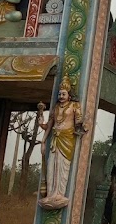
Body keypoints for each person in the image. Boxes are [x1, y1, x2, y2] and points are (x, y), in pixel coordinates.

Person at [37, 75, 87, 211]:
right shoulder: (55, 107)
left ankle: (59, 194)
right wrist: (43, 139)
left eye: (63, 93)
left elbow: (79, 122)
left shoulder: (75, 106)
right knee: (51, 166)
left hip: (67, 140)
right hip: (55, 139)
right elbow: (48, 126)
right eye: (59, 94)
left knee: (63, 167)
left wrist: (81, 124)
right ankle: (51, 194)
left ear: (69, 95)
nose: (60, 95)